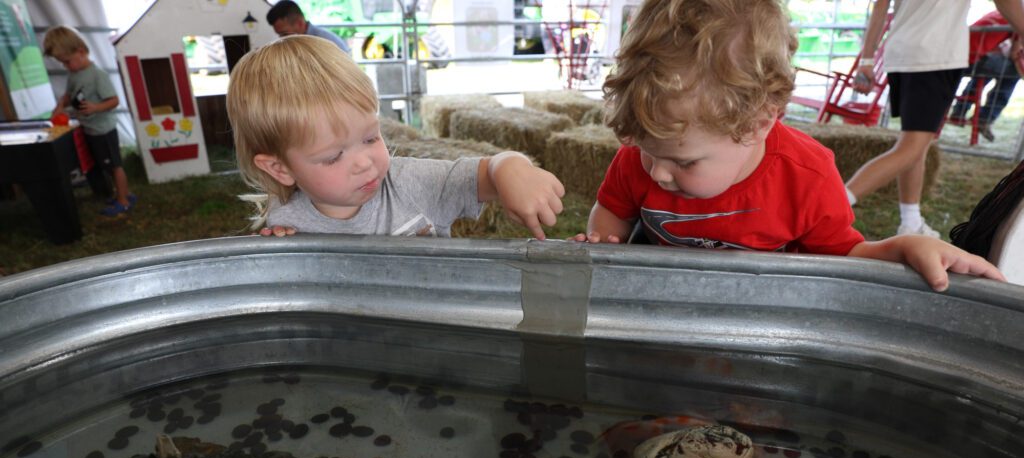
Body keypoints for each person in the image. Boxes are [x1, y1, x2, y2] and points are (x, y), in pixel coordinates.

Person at [574, 0, 1004, 293]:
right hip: (661, 305)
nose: (658, 172)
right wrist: (604, 245)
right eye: (650, 152)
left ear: (759, 124)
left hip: (763, 318)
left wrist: (903, 247)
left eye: (683, 160)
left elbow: (846, 256)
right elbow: (613, 213)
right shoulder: (640, 157)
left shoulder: (808, 176)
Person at [226, 35, 564, 238]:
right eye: (332, 156)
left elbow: (487, 172)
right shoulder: (286, 220)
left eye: (372, 137)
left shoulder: (408, 183)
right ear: (280, 169)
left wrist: (512, 169)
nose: (364, 162)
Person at [845, 1, 1024, 238]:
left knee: (915, 146)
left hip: (902, 53)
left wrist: (867, 60)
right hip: (935, 56)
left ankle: (911, 223)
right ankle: (828, 205)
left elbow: (880, 5)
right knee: (910, 148)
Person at [43, 25, 135, 217]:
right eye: (62, 63)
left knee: (114, 166)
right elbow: (69, 95)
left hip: (104, 130)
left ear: (81, 52)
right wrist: (60, 106)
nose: (65, 66)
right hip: (91, 129)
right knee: (104, 165)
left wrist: (95, 108)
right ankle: (122, 193)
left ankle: (124, 201)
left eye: (67, 62)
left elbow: (114, 100)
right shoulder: (75, 74)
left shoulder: (97, 75)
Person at [949, 12, 1019, 143]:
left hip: (959, 54)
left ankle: (960, 110)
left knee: (989, 67)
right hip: (971, 59)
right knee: (1013, 72)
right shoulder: (1018, 17)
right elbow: (1015, 53)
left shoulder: (1001, 12)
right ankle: (985, 118)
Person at [266, 1, 352, 55]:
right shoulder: (298, 42)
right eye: (280, 35)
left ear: (299, 23)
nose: (281, 39)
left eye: (284, 34)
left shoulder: (323, 42)